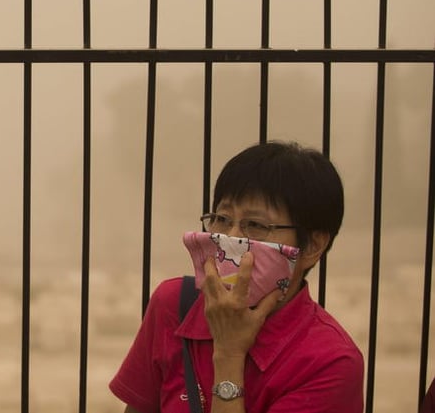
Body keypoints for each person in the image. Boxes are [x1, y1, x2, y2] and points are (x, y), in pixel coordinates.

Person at [110, 141, 364, 413]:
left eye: (254, 225)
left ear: (313, 246)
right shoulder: (175, 304)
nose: (230, 238)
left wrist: (229, 354)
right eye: (222, 218)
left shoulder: (331, 363)